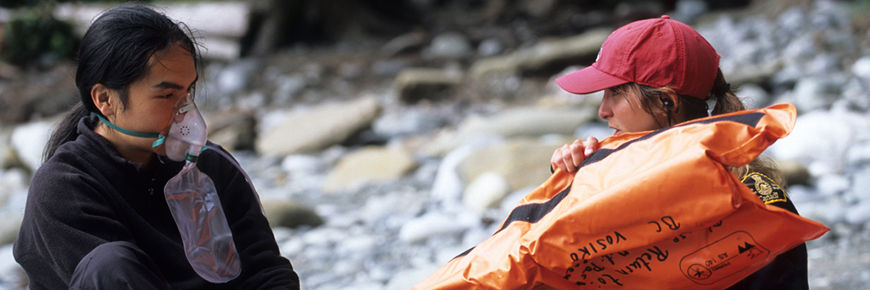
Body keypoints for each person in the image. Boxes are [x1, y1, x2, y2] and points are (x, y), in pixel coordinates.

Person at [13, 5, 300, 289]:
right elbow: (112, 279)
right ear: (105, 100)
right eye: (166, 95)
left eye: (188, 91)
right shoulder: (65, 188)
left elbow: (266, 271)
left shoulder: (212, 168)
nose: (186, 112)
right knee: (110, 264)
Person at [549, 15, 807, 289]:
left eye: (615, 92)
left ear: (667, 102)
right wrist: (569, 186)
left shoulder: (754, 203)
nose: (603, 111)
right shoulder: (615, 183)